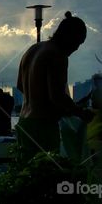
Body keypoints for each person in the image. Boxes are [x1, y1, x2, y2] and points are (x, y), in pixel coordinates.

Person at [16, 11, 91, 156]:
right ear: (70, 37)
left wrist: (39, 100)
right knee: (47, 173)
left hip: (24, 122)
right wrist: (80, 113)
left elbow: (20, 85)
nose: (76, 48)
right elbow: (57, 97)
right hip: (43, 126)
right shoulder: (57, 54)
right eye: (78, 42)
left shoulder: (33, 49)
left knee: (26, 174)